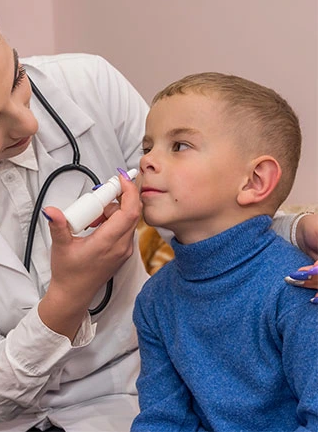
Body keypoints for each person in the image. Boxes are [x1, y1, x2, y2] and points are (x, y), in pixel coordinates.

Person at [0, 0, 318, 432]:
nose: (28, 125)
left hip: (117, 390)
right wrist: (68, 296)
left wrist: (301, 229)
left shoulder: (87, 85)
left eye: (17, 78)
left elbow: (205, 208)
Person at [132, 73, 318, 432]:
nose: (146, 162)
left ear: (254, 181)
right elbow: (162, 420)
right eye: (147, 147)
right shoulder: (154, 299)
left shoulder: (298, 289)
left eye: (180, 145)